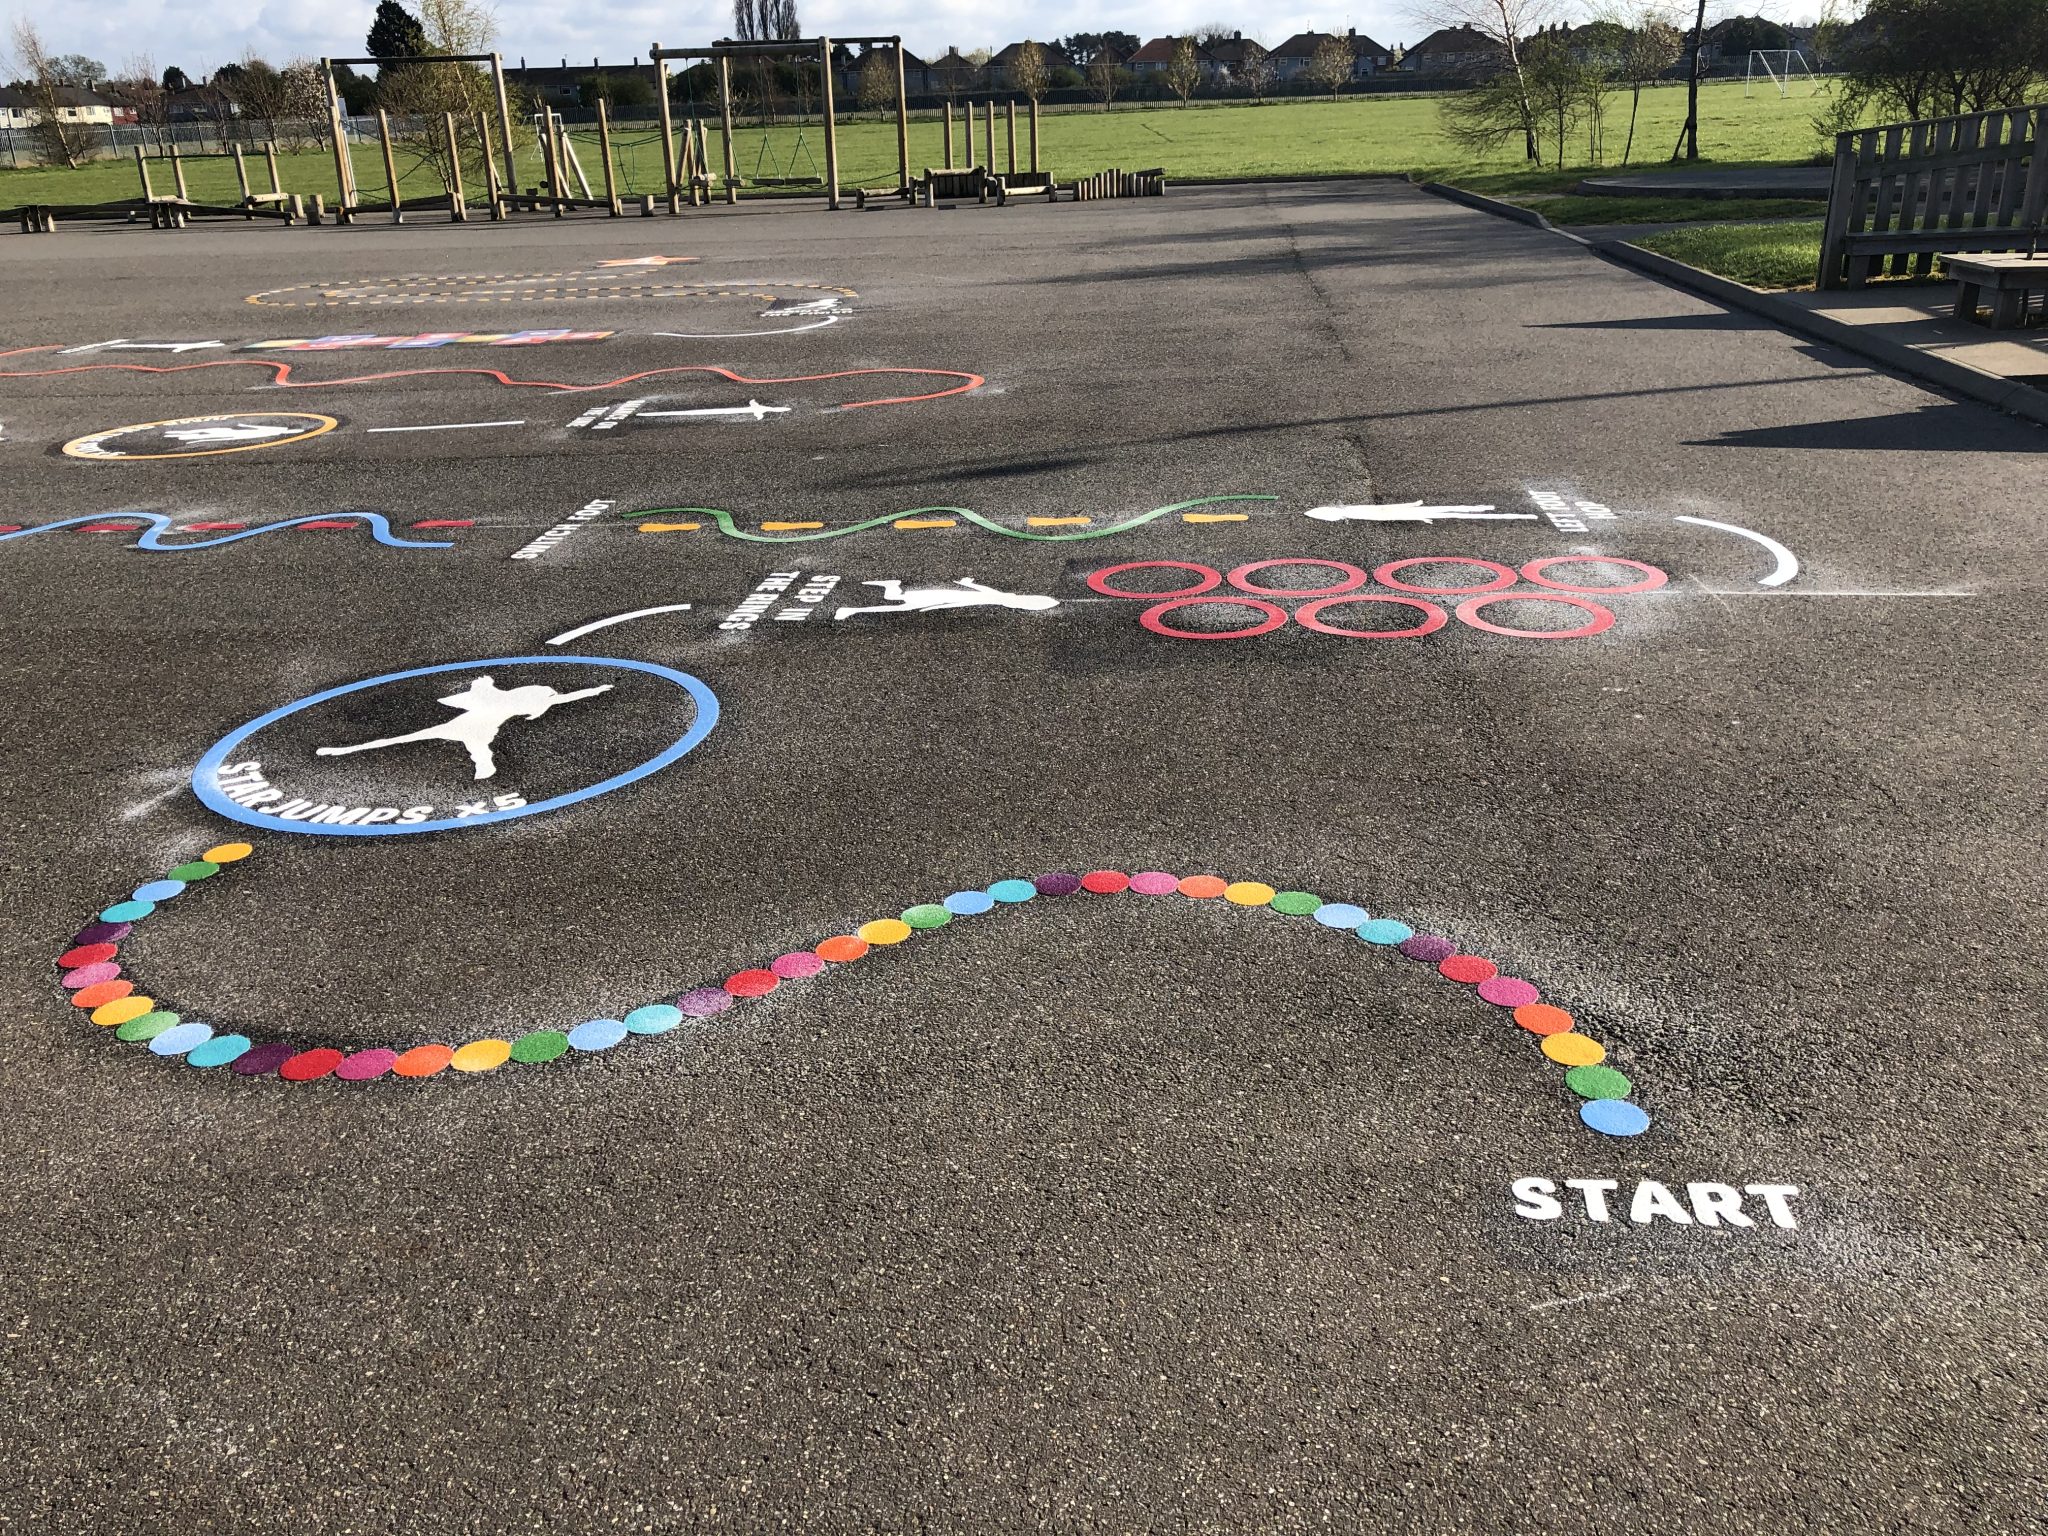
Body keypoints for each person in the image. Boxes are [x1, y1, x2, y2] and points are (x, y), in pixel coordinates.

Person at [316, 675, 612, 781]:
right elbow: (565, 697)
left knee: (473, 747)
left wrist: (597, 690)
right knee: (408, 738)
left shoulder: (508, 700)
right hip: (469, 724)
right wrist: (596, 689)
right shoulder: (508, 699)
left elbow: (566, 697)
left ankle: (344, 751)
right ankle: (344, 750)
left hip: (475, 725)